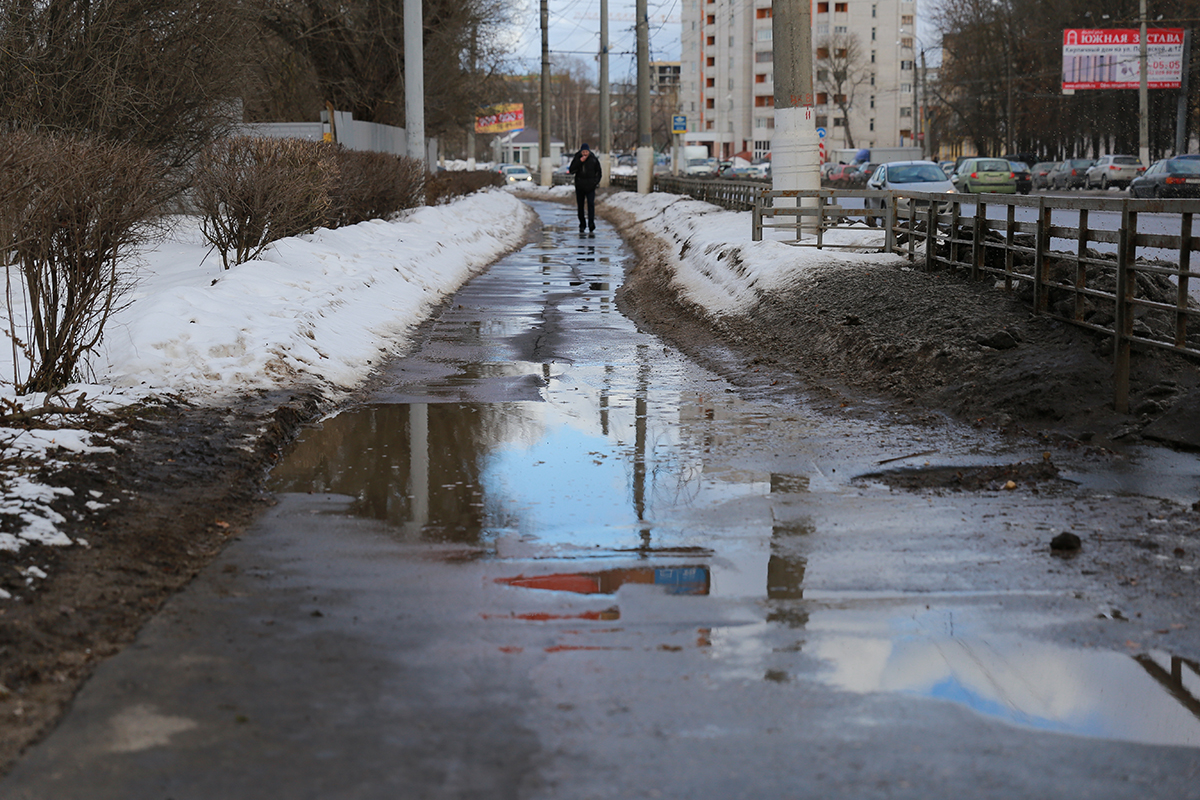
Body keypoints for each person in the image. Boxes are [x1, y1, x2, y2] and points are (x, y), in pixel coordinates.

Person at [568, 143, 602, 233]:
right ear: (581, 151)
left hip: (590, 186)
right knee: (580, 206)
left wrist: (595, 182)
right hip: (580, 186)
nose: (585, 154)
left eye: (586, 152)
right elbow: (571, 170)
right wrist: (580, 162)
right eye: (583, 152)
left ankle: (591, 224)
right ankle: (582, 224)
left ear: (589, 151)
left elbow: (598, 172)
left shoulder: (593, 159)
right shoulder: (577, 158)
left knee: (591, 205)